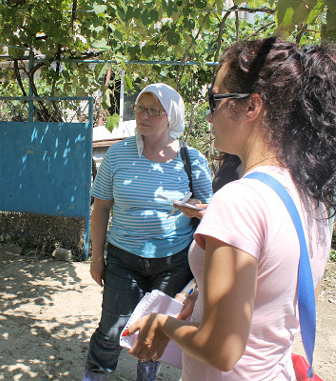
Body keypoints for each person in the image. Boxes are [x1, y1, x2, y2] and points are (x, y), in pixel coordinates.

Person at [124, 38, 335, 380]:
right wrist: (201, 293)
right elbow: (271, 292)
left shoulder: (240, 200)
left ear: (251, 107)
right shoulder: (310, 199)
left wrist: (162, 325)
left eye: (214, 99)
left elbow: (221, 350)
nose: (209, 116)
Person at [83, 83, 213, 381]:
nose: (145, 115)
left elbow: (213, 213)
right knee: (111, 330)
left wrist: (198, 209)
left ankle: (147, 377)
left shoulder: (191, 160)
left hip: (173, 262)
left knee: (154, 331)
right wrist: (96, 256)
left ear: (172, 117)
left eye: (155, 110)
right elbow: (101, 208)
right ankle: (94, 376)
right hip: (123, 259)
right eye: (141, 107)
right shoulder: (116, 155)